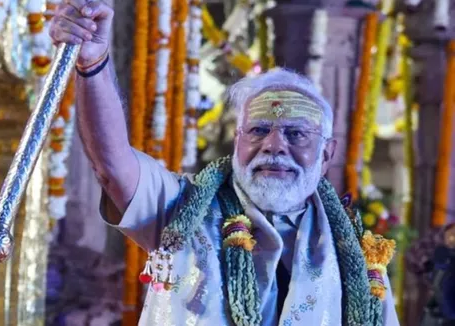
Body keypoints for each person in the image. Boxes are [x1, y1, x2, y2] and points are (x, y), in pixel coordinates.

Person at [50, 1, 401, 325]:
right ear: (237, 141)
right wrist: (93, 64)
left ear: (326, 154)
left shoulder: (359, 255)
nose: (274, 146)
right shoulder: (184, 209)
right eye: (259, 130)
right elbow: (112, 166)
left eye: (296, 134)